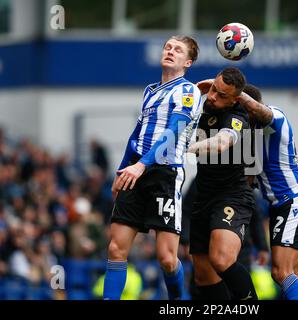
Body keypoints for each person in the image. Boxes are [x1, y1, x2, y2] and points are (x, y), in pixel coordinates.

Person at [103, 35, 202, 300]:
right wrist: (124, 169)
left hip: (164, 173)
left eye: (177, 50)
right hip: (136, 170)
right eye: (167, 47)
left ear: (188, 62)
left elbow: (174, 130)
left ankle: (177, 302)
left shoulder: (189, 91)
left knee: (167, 259)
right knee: (115, 248)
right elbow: (137, 132)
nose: (170, 51)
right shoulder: (149, 90)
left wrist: (142, 165)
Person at [233, 83, 298, 300]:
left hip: (296, 201)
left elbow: (260, 110)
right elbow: (248, 182)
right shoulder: (248, 139)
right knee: (291, 276)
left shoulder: (276, 118)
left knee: (281, 272)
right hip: (282, 206)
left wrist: (233, 91)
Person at [187, 67, 258, 300]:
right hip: (203, 198)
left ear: (235, 100)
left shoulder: (237, 117)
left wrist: (189, 147)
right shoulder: (202, 105)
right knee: (203, 277)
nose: (214, 97)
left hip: (231, 196)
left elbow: (221, 142)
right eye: (214, 90)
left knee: (221, 259)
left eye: (221, 95)